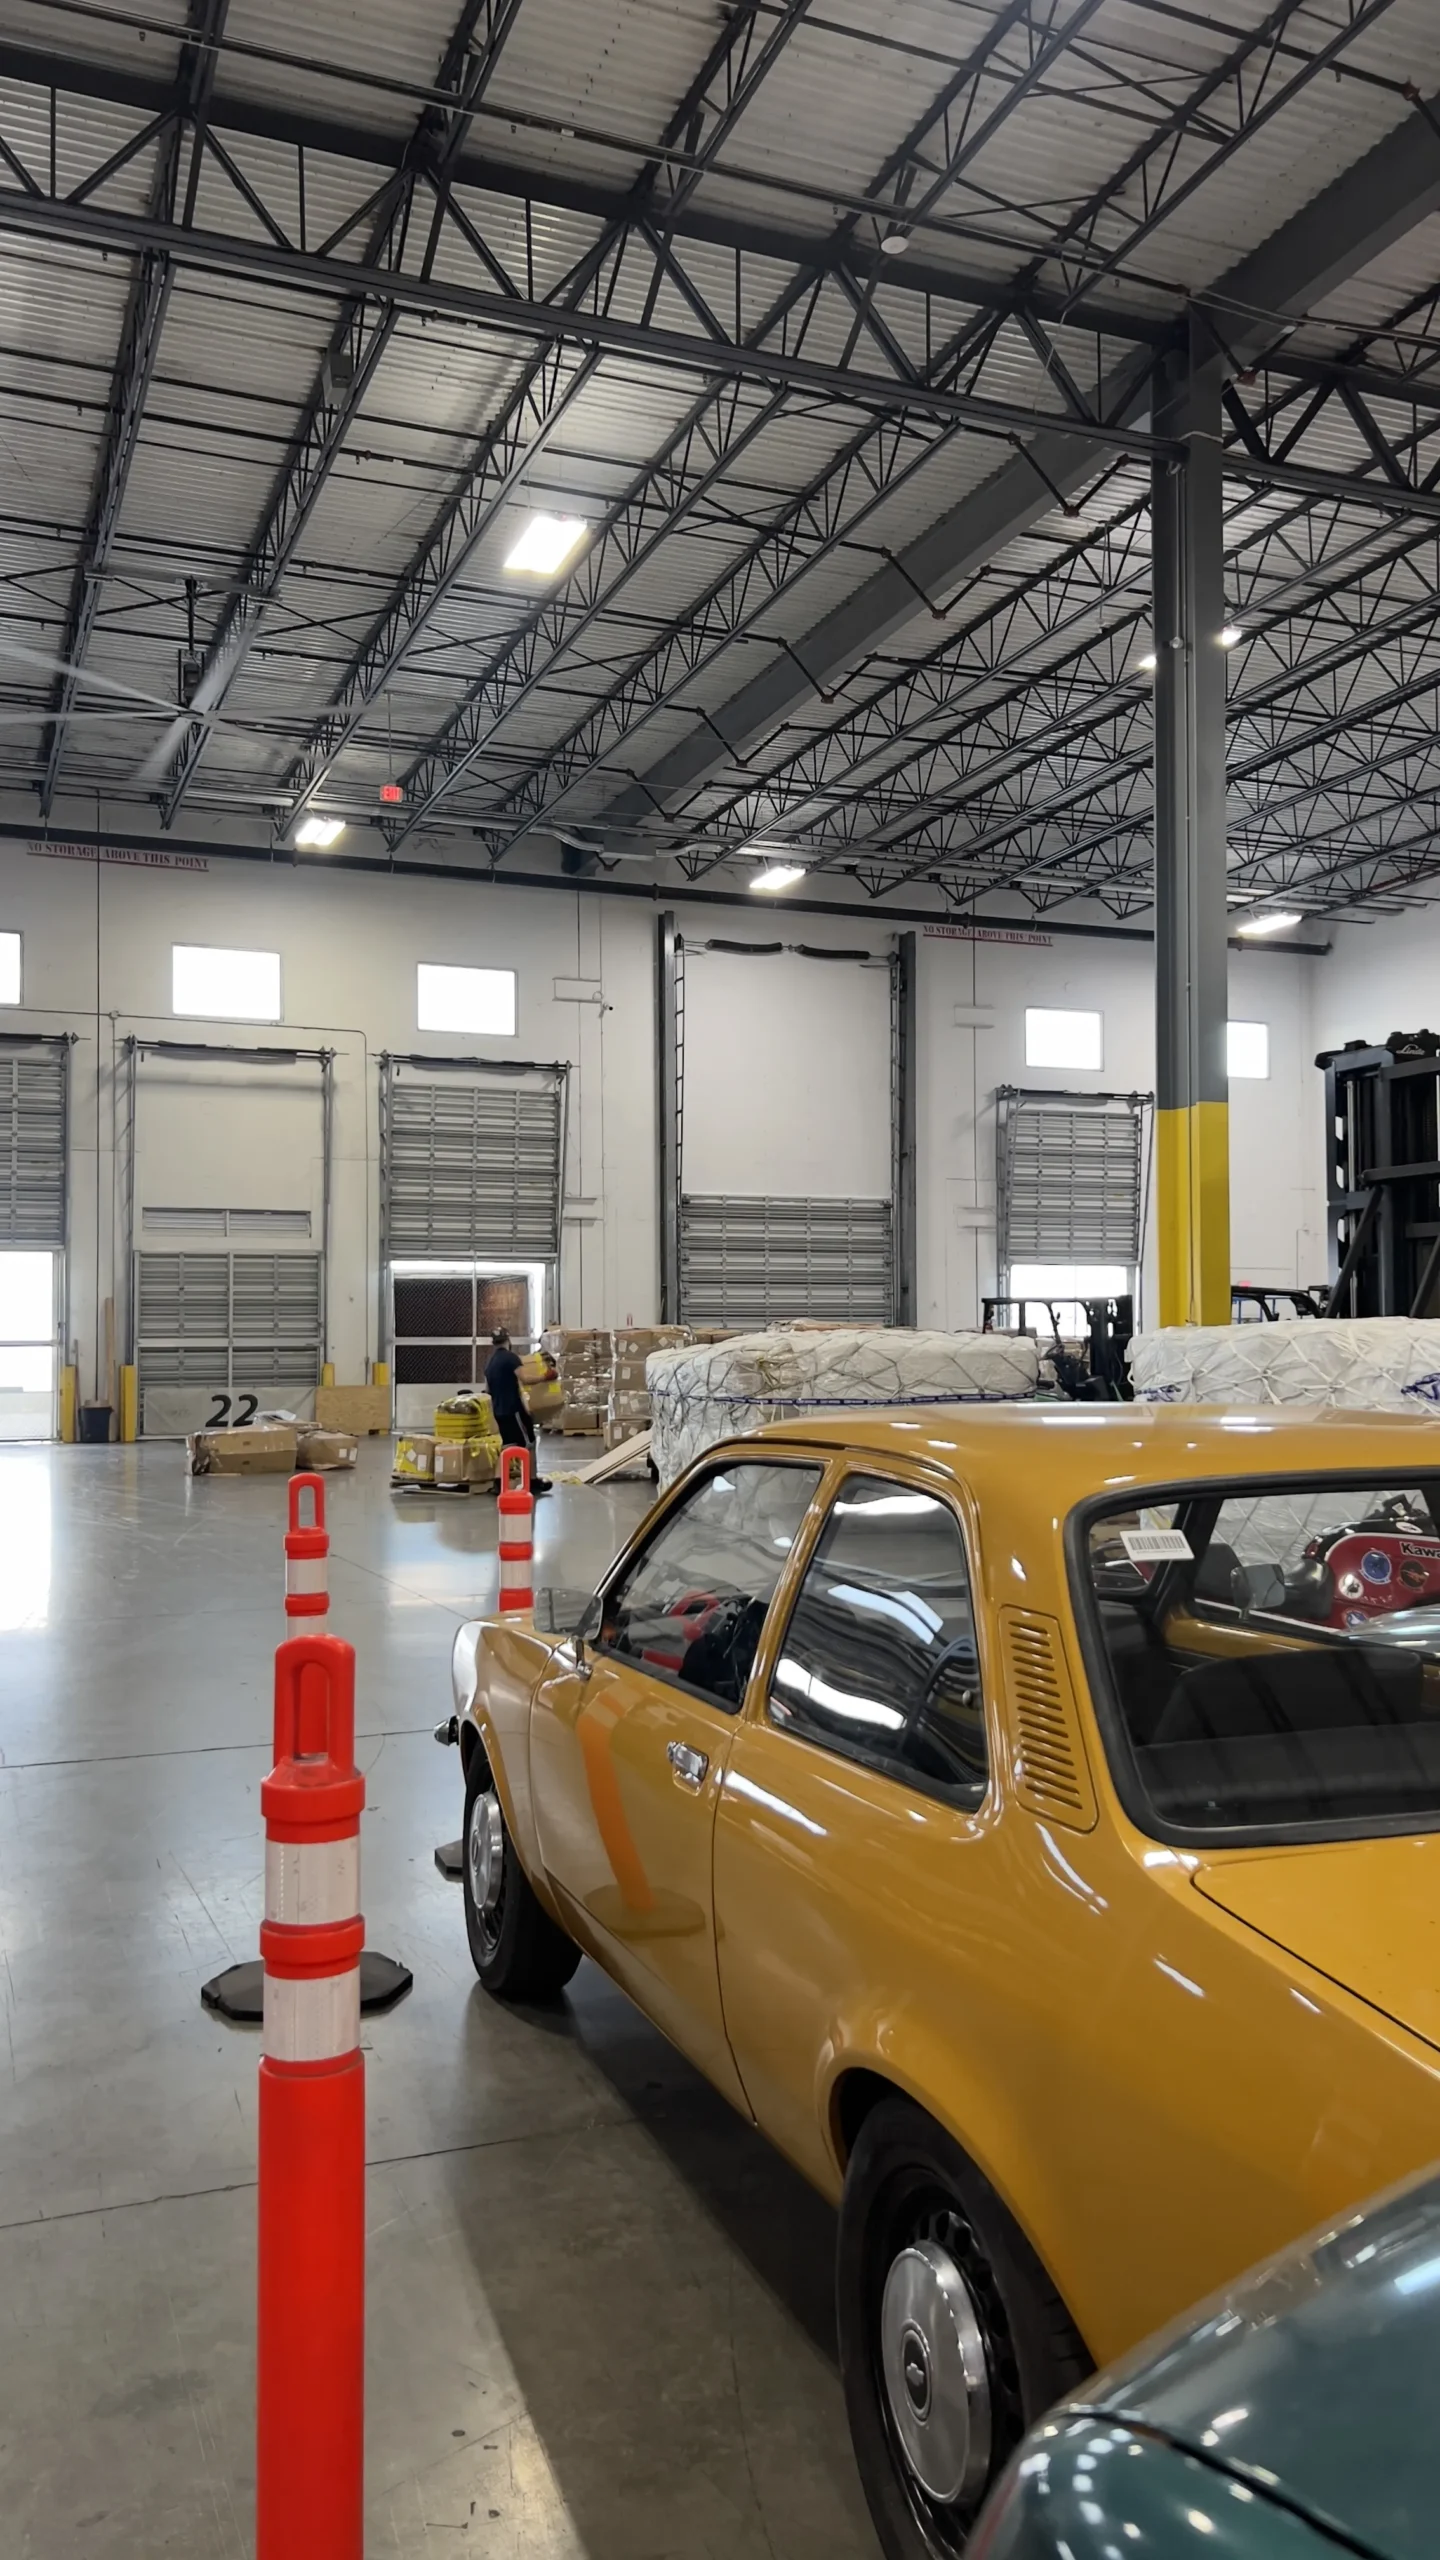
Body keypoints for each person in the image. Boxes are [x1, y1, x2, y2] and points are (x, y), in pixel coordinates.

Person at [483, 1328, 552, 1494]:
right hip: (514, 1410)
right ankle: (532, 1480)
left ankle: (498, 1483)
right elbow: (525, 1379)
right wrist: (545, 1377)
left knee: (507, 1446)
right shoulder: (511, 1358)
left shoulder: (490, 1363)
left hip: (499, 1411)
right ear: (508, 1340)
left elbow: (487, 1389)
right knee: (529, 1444)